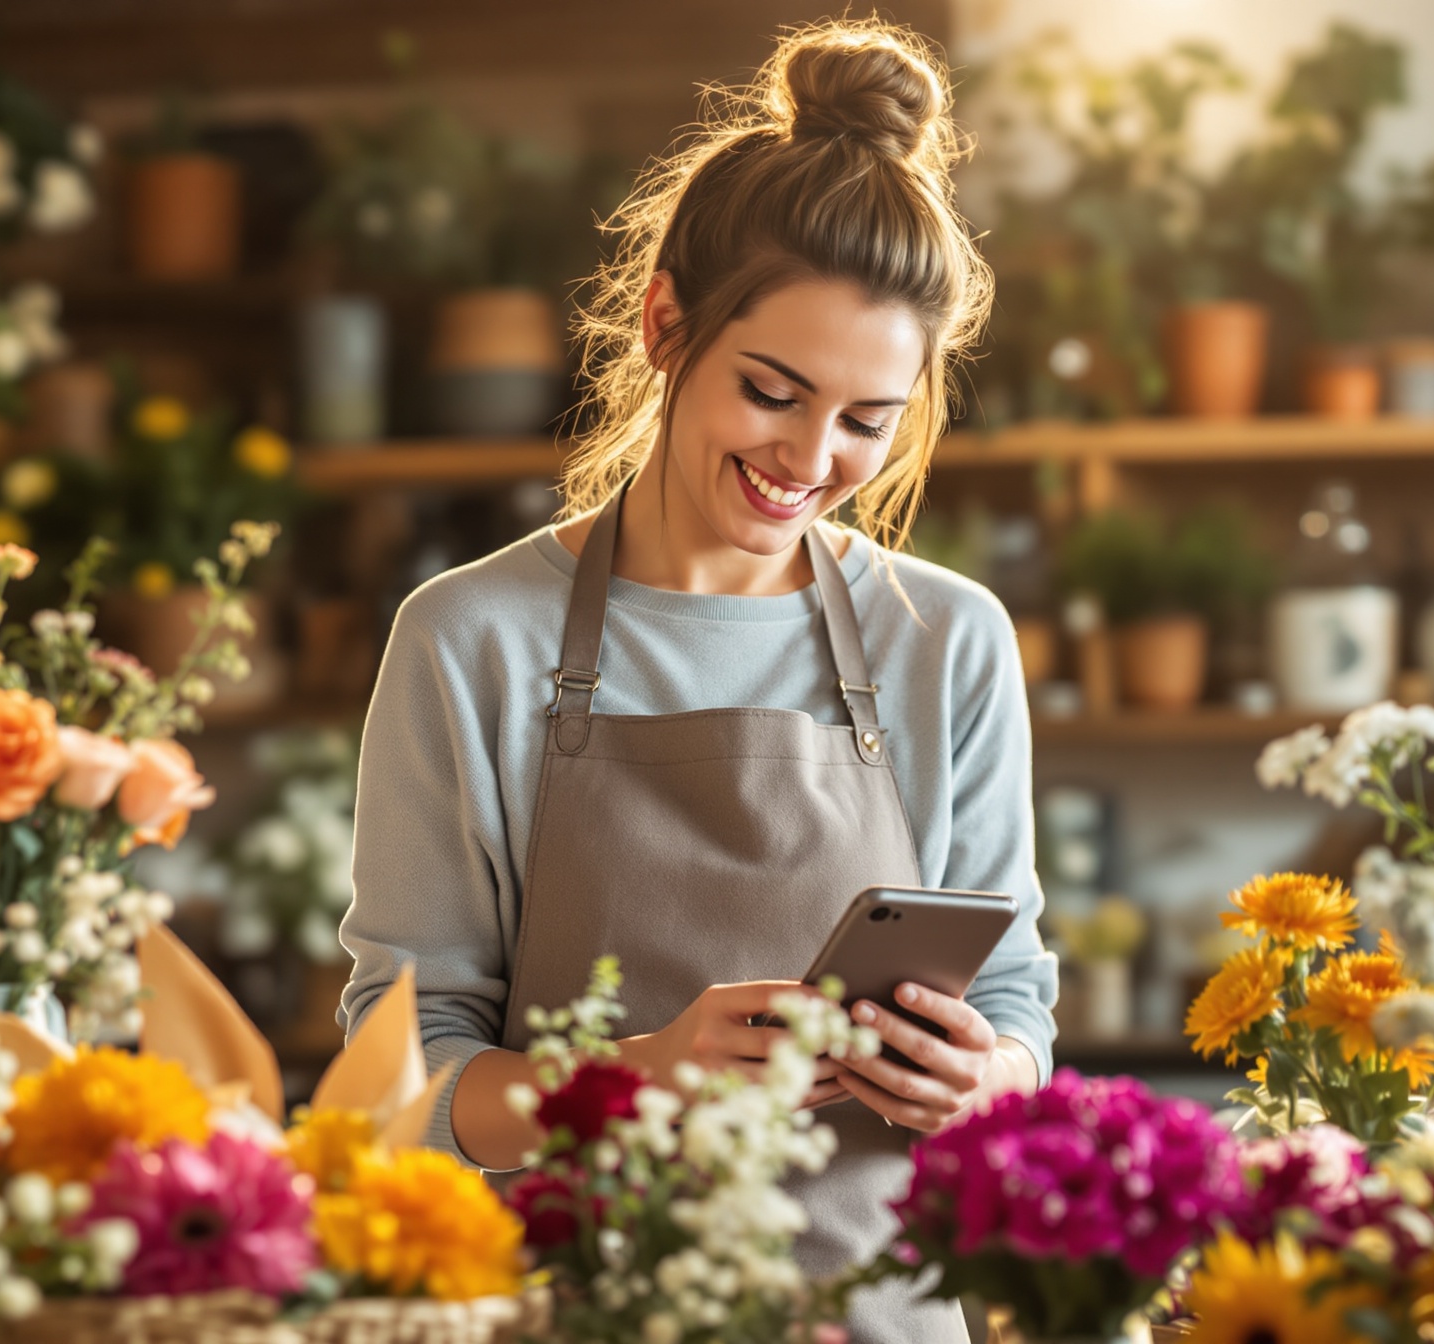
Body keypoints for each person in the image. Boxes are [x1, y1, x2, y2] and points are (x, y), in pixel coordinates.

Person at [335, 19, 1054, 1340]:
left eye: (865, 421)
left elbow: (1015, 1005)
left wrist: (985, 1077)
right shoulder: (470, 640)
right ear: (668, 321)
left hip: (883, 1314)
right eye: (772, 390)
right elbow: (399, 1076)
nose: (810, 458)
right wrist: (636, 1075)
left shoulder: (946, 639)